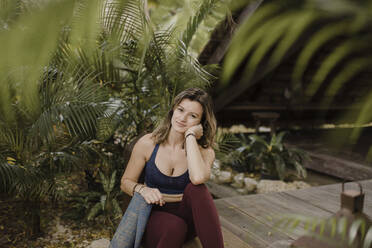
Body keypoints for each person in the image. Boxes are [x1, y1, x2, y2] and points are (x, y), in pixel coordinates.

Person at [120, 88, 224, 248]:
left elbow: (197, 178)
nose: (183, 118)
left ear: (200, 123)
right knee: (175, 226)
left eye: (193, 116)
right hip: (155, 216)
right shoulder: (148, 143)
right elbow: (125, 182)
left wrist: (189, 137)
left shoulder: (205, 152)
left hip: (189, 220)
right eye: (180, 110)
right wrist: (143, 190)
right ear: (173, 110)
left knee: (197, 190)